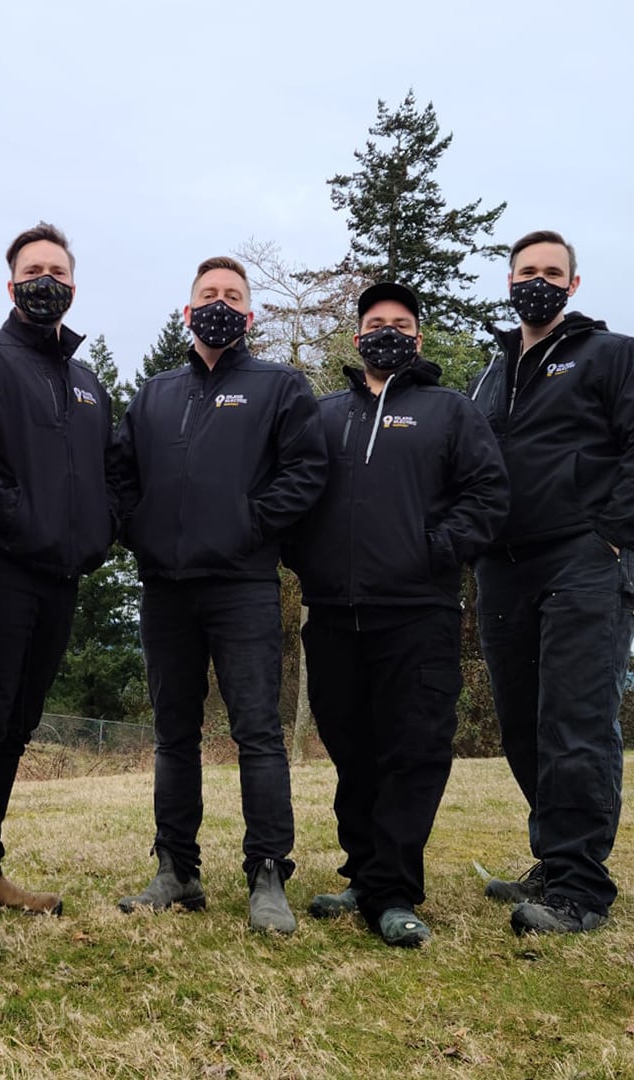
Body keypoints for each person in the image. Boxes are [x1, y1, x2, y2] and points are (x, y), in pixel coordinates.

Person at [287, 282, 508, 947]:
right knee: (354, 754)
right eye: (376, 321)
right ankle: (363, 873)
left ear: (416, 336)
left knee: (412, 754)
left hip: (418, 616)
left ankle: (395, 893)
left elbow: (488, 494)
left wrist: (435, 550)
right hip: (332, 618)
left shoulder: (449, 412)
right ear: (357, 338)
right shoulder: (323, 416)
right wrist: (309, 561)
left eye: (401, 323)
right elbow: (291, 497)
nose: (388, 331)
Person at [115, 256, 327, 935]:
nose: (220, 303)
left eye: (233, 295)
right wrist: (141, 533)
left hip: (243, 587)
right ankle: (177, 869)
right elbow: (119, 475)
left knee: (258, 734)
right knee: (173, 735)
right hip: (166, 591)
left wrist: (248, 527)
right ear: (187, 310)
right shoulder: (154, 394)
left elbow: (306, 473)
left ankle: (268, 872)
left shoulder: (279, 386)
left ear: (249, 314)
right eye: (208, 294)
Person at [0, 223, 115, 963]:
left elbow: (114, 473)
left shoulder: (87, 383)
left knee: (18, 726)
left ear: (72, 284)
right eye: (32, 269)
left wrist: (103, 528)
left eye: (56, 269)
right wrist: (11, 511)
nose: (45, 279)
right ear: (12, 285)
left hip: (61, 579)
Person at [470, 231, 634, 935]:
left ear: (572, 285)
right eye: (525, 271)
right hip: (502, 568)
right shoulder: (489, 373)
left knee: (576, 721)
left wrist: (611, 535)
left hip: (583, 559)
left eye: (550, 272)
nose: (537, 280)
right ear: (509, 284)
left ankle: (580, 886)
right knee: (523, 724)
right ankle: (553, 858)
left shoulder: (612, 356)